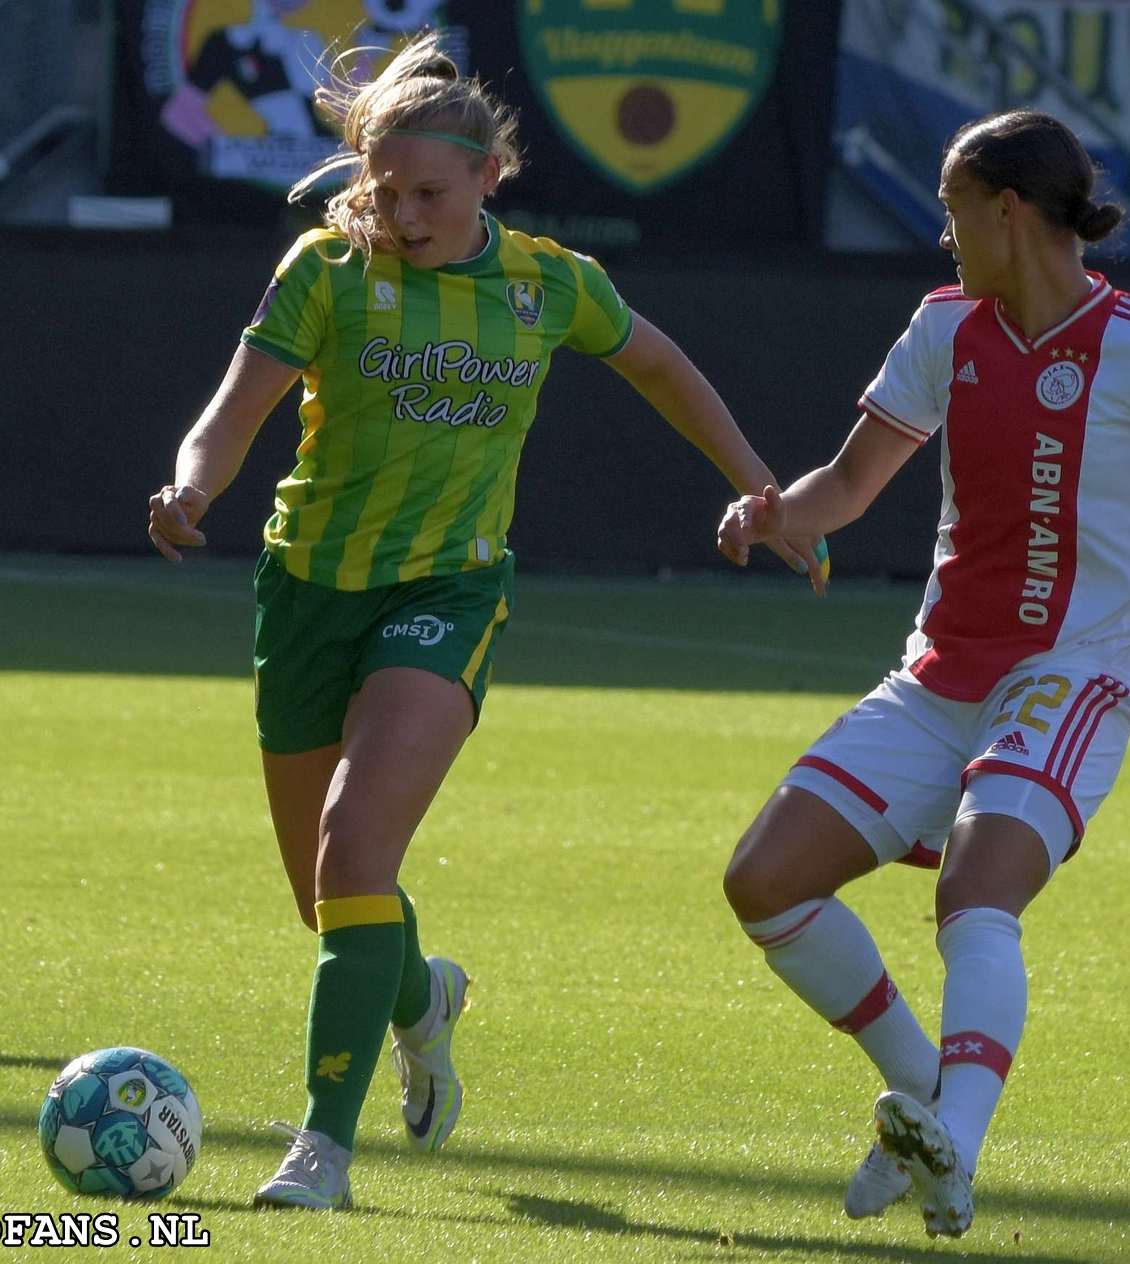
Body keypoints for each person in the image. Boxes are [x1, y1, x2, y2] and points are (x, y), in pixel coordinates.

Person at [147, 32, 823, 1211]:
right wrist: (191, 485)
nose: (401, 213)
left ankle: (322, 1150)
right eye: (384, 189)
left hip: (448, 594)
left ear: (488, 179)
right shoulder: (326, 271)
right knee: (326, 895)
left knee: (357, 850)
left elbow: (662, 367)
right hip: (305, 591)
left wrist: (760, 489)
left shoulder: (550, 282)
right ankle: (422, 994)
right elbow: (229, 411)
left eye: (427, 193)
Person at [716, 109, 1130, 1239]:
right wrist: (773, 513)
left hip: (1068, 676)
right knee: (763, 880)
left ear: (1006, 211)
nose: (944, 235)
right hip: (934, 675)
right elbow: (852, 481)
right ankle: (923, 1094)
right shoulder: (943, 328)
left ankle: (954, 1147)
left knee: (976, 890)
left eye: (953, 211)